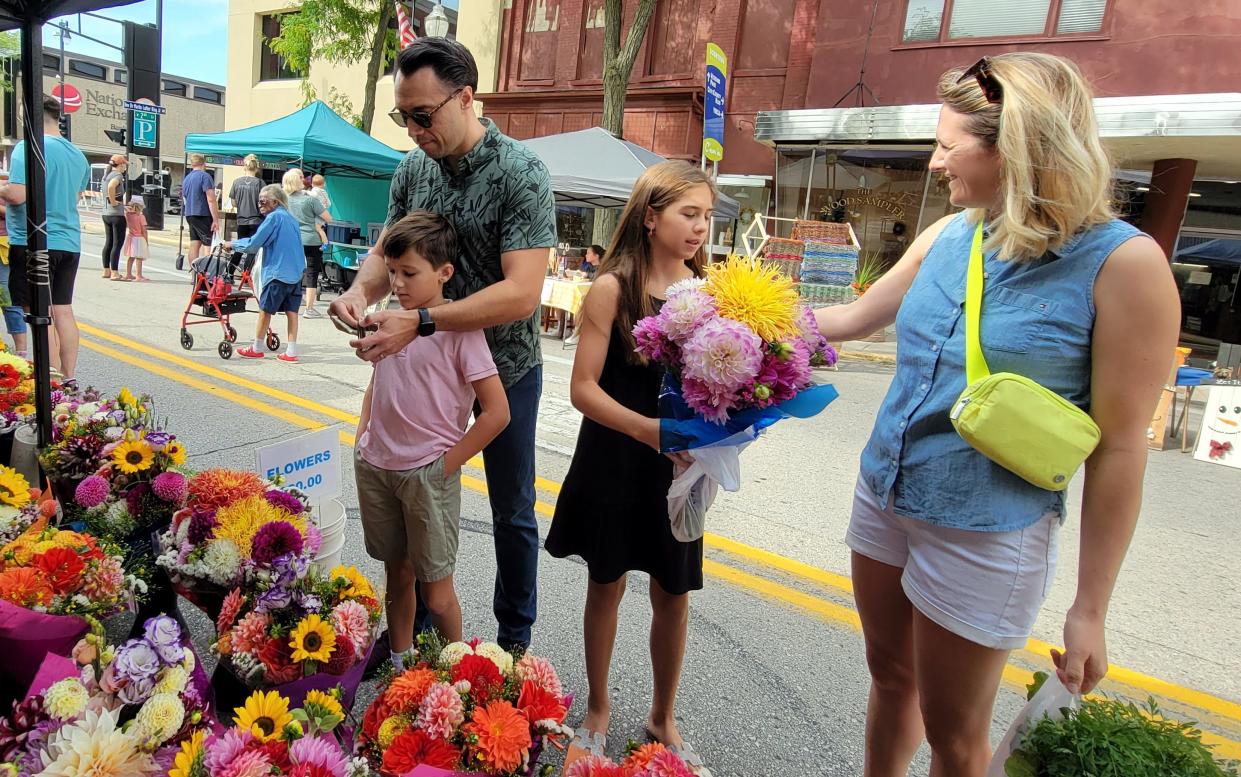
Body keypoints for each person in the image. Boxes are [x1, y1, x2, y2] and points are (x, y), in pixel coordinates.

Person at [813, 53, 1180, 777]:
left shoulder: (1124, 265)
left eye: (948, 145)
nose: (932, 162)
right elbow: (853, 318)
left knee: (955, 736)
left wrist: (1088, 609)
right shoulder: (951, 235)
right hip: (884, 494)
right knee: (890, 676)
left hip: (985, 528)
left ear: (1015, 146)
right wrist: (714, 320)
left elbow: (1118, 450)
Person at [329, 37, 556, 653]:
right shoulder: (412, 171)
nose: (412, 130)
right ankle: (420, 637)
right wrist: (359, 293)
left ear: (466, 99)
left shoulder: (520, 173)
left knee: (511, 510)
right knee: (414, 496)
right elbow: (386, 253)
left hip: (502, 368)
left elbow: (522, 294)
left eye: (422, 115)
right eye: (403, 116)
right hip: (423, 369)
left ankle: (511, 646)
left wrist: (423, 321)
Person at [546, 160, 712, 775]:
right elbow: (583, 388)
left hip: (681, 469)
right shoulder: (613, 288)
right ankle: (597, 707)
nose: (699, 227)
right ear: (650, 216)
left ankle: (662, 716)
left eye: (706, 215)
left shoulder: (709, 293)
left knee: (675, 589)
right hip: (617, 455)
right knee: (606, 581)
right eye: (687, 213)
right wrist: (650, 431)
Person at [356, 210, 510, 665]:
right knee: (396, 577)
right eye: (391, 272)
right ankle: (400, 662)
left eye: (409, 273)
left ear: (444, 273)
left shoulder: (461, 333)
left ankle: (453, 672)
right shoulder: (386, 318)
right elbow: (377, 383)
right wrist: (363, 433)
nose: (398, 283)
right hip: (378, 466)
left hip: (428, 475)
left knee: (438, 593)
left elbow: (497, 412)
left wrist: (445, 464)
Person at [0, 97, 89, 381]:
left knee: (39, 313)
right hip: (68, 242)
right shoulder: (78, 155)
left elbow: (18, 195)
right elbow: (72, 199)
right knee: (63, 310)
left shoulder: (28, 147)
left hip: (34, 241)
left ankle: (49, 380)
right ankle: (69, 377)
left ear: (29, 117)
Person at [223, 184, 305, 364]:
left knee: (265, 311)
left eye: (263, 201)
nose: (259, 204)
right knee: (292, 312)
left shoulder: (273, 218)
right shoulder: (291, 218)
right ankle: (291, 352)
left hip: (277, 272)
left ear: (274, 202)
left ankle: (256, 348)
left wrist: (232, 244)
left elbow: (254, 244)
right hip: (296, 273)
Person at [284, 168, 333, 319]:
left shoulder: (285, 199)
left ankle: (290, 304)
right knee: (312, 273)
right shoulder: (310, 200)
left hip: (293, 239)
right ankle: (309, 309)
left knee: (293, 271)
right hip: (312, 239)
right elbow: (328, 217)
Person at [0, 171, 27, 357]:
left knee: (8, 297)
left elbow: (16, 208)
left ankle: (21, 352)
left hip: (3, 244)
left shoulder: (9, 185)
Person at [182, 153, 220, 266]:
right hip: (202, 213)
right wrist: (215, 219)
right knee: (208, 243)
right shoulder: (205, 176)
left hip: (190, 213)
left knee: (195, 243)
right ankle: (206, 272)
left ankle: (194, 273)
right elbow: (211, 199)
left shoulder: (187, 178)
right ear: (204, 164)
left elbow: (184, 197)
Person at [100, 154, 128, 281]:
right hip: (116, 214)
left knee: (109, 242)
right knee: (117, 243)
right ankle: (115, 272)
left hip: (106, 213)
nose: (125, 168)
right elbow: (112, 186)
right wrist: (114, 201)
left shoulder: (106, 176)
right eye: (124, 165)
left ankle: (106, 270)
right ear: (120, 165)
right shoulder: (117, 175)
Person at [229, 154, 264, 250]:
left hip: (241, 220)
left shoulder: (236, 182)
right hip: (256, 220)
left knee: (240, 247)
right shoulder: (260, 183)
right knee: (253, 249)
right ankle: (248, 265)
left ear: (244, 167)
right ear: (256, 168)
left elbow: (233, 203)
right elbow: (264, 204)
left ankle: (234, 264)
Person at [123, 200, 150, 282]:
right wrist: (146, 240)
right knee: (139, 257)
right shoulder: (141, 217)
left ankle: (128, 274)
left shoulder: (128, 215)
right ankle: (139, 275)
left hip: (131, 237)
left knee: (131, 257)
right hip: (139, 238)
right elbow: (144, 230)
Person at [308, 173, 331, 245]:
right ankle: (323, 242)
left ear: (312, 184)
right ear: (323, 184)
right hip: (324, 212)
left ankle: (325, 243)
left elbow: (312, 195)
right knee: (320, 228)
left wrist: (305, 192)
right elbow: (329, 203)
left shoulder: (315, 190)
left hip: (319, 213)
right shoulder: (324, 192)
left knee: (318, 229)